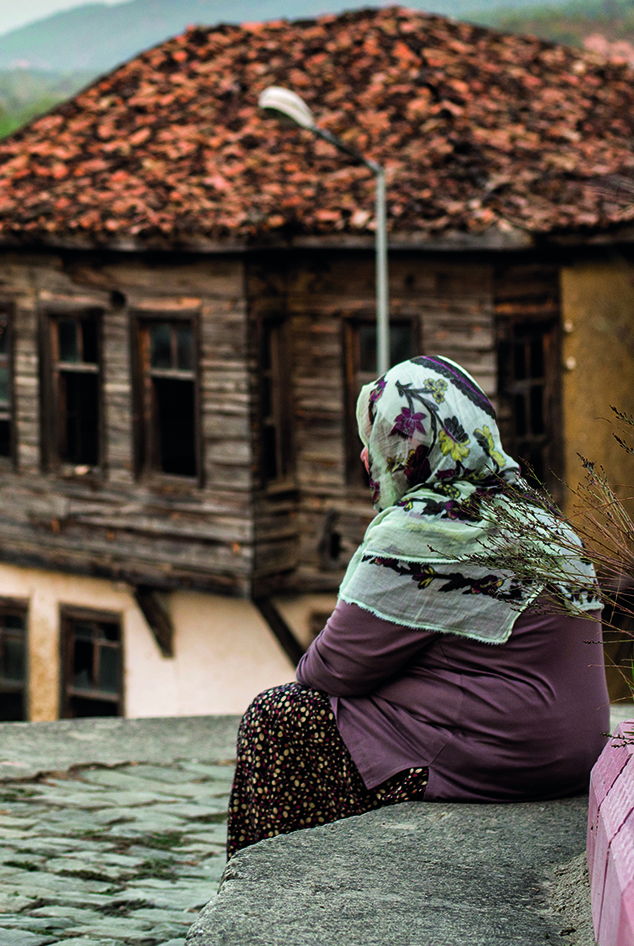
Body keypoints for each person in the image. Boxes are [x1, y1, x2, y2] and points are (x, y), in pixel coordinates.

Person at [226, 354, 609, 855]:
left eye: (379, 440)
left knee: (277, 718)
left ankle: (266, 892)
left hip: (511, 757)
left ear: (414, 448)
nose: (366, 458)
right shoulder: (536, 514)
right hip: (575, 751)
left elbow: (327, 672)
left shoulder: (425, 531)